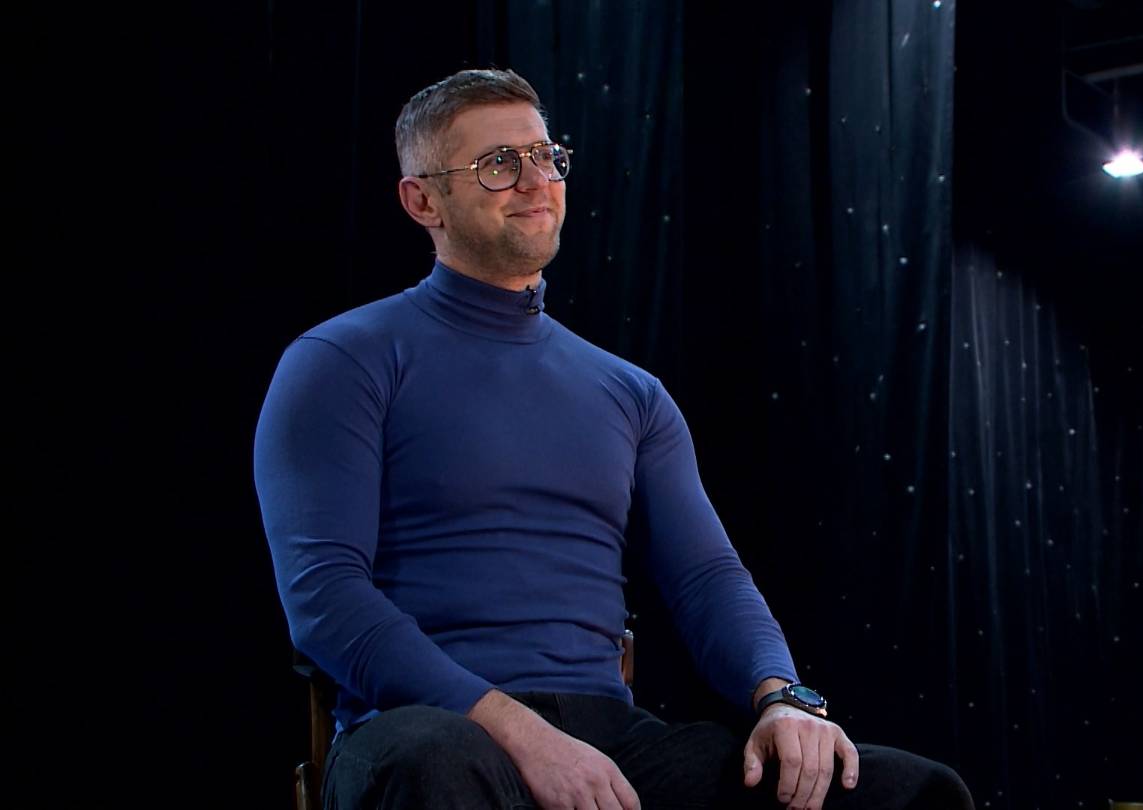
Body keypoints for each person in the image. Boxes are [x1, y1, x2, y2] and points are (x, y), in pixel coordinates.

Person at [255, 67, 972, 810]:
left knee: (909, 791)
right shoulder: (342, 361)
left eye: (546, 156)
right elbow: (324, 596)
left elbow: (707, 577)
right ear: (422, 201)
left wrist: (781, 696)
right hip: (422, 724)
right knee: (438, 761)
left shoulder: (631, 393)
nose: (535, 181)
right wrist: (518, 732)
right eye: (498, 163)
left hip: (609, 737)